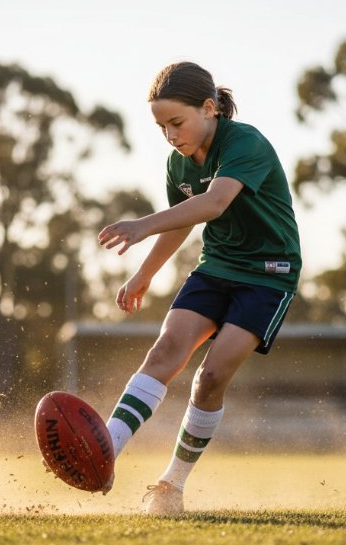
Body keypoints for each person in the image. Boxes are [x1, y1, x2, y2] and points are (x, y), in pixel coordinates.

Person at [97, 62, 301, 515]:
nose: (170, 135)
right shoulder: (178, 162)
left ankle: (172, 483)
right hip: (217, 267)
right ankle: (104, 453)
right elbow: (183, 221)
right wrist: (144, 274)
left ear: (209, 109)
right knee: (164, 352)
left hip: (268, 273)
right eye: (160, 127)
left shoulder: (244, 142)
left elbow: (213, 203)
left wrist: (141, 226)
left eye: (176, 122)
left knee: (209, 379)